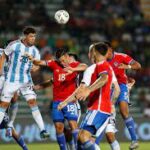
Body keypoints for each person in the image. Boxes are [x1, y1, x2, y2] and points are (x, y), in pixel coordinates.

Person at [26, 48, 87, 150]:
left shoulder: (74, 65)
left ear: (67, 57)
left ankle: (77, 148)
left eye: (63, 60)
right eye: (60, 61)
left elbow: (85, 66)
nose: (62, 63)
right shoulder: (54, 64)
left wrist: (73, 69)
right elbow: (40, 62)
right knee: (59, 128)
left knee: (73, 125)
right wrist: (33, 59)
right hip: (57, 102)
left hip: (70, 101)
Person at [0, 27, 49, 138]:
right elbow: (4, 55)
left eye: (34, 36)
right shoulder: (14, 45)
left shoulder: (35, 51)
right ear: (25, 36)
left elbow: (37, 65)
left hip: (26, 80)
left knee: (32, 102)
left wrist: (35, 68)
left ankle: (43, 130)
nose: (33, 38)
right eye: (31, 36)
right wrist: (0, 70)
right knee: (4, 104)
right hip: (11, 79)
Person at [104, 41, 141, 149]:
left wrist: (128, 66)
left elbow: (138, 66)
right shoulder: (102, 61)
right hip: (108, 88)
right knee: (105, 114)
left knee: (123, 111)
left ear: (110, 49)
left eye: (105, 50)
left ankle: (134, 140)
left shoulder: (121, 56)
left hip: (121, 86)